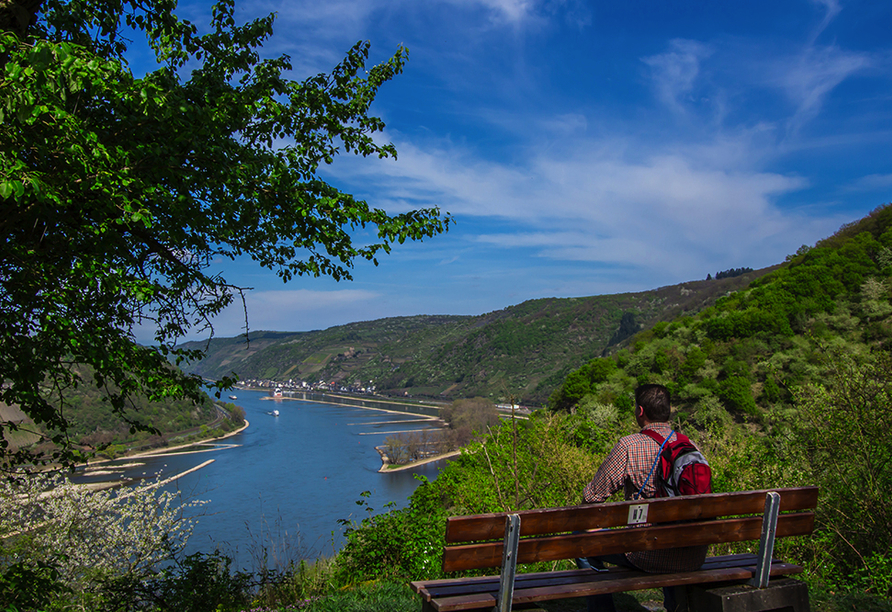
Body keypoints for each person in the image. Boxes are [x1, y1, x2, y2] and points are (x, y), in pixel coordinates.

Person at [577, 384, 707, 612]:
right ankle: (674, 607)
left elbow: (592, 499)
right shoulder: (689, 446)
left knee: (579, 535)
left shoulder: (629, 446)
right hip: (694, 553)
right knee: (669, 535)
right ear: (668, 411)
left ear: (640, 411)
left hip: (647, 553)